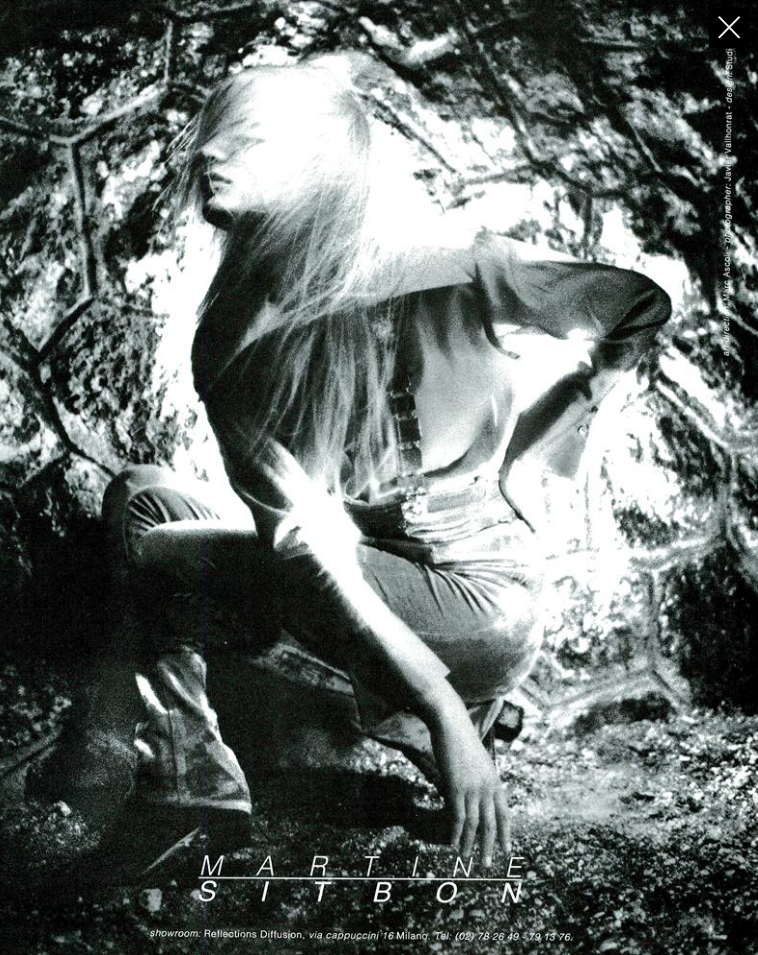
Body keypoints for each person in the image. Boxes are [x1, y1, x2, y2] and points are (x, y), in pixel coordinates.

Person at [81, 56, 672, 876]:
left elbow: (638, 305)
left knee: (162, 559)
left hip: (483, 605)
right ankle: (194, 768)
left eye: (250, 138)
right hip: (370, 569)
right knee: (143, 497)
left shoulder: (453, 265)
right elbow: (304, 546)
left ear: (316, 166)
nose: (212, 149)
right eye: (218, 130)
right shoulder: (231, 340)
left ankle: (219, 775)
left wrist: (539, 444)